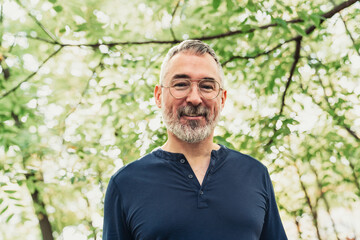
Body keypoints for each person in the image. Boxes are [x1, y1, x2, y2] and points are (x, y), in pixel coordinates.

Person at [103, 40, 287, 240]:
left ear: (222, 99)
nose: (194, 98)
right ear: (158, 96)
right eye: (181, 84)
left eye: (207, 86)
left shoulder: (255, 174)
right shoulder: (125, 184)